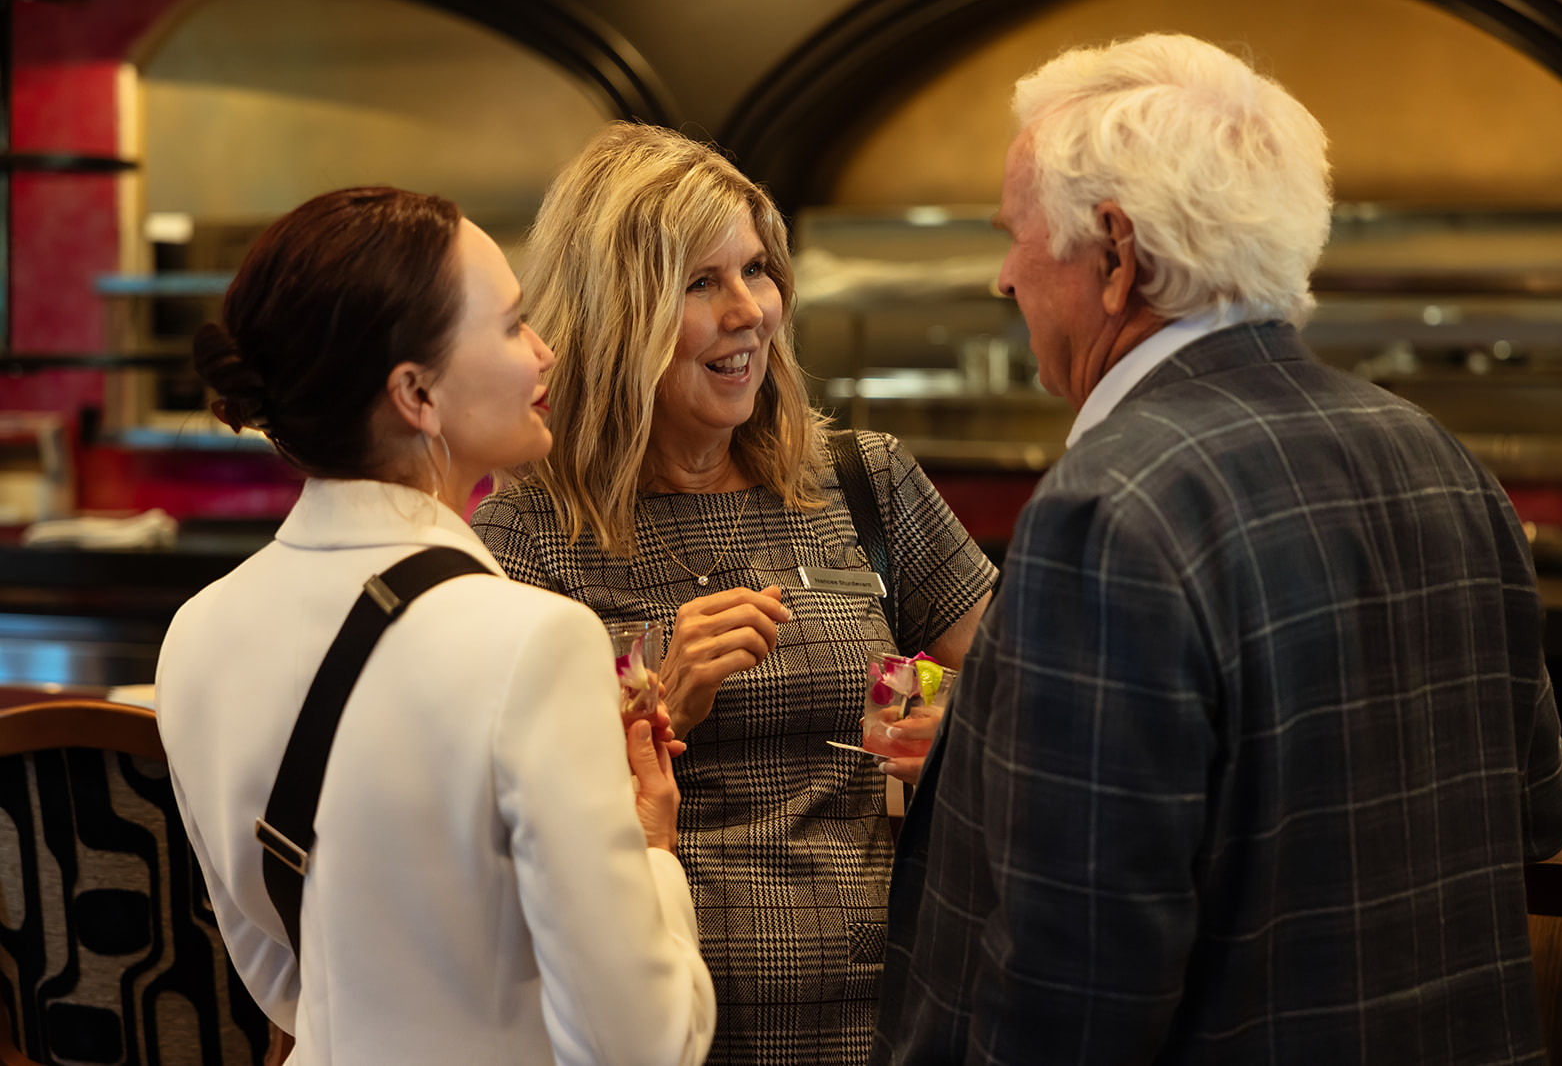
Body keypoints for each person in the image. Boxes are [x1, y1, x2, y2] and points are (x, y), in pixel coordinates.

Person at [873, 33, 1562, 1065]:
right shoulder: (1440, 457)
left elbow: (1073, 990)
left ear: (1114, 254)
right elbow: (1538, 807)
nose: (1003, 278)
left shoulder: (1105, 510)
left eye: (1015, 237)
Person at [470, 123, 996, 1063]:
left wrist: (908, 711)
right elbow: (493, 821)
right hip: (664, 1025)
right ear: (615, 310)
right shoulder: (526, 534)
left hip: (893, 1017)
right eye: (700, 282)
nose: (749, 309)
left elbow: (1021, 704)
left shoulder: (863, 480)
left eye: (758, 270)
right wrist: (658, 709)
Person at [155, 186, 715, 1065]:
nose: (546, 350)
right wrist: (652, 857)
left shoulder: (195, 630)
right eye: (512, 325)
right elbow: (639, 1044)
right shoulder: (536, 641)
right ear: (415, 392)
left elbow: (281, 976)